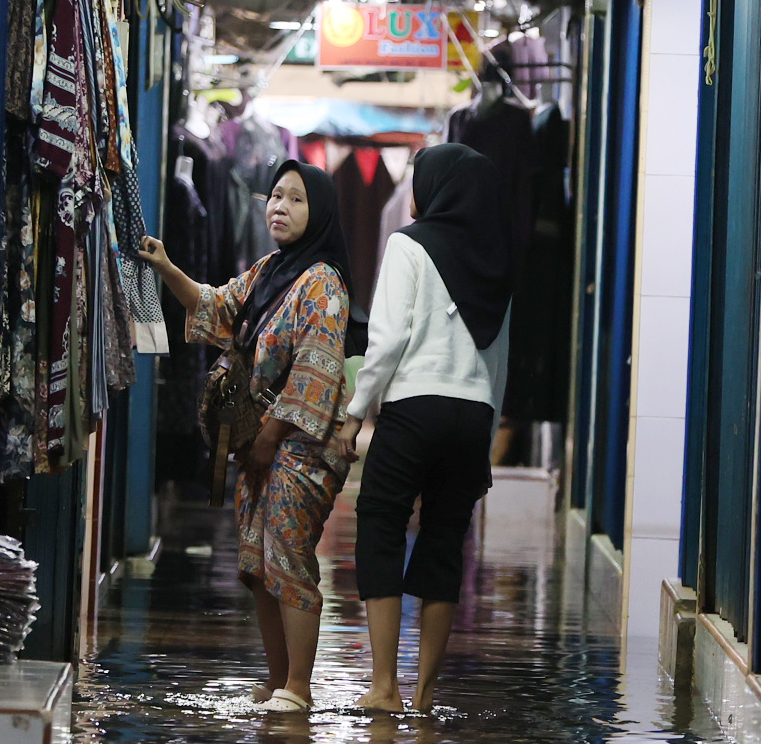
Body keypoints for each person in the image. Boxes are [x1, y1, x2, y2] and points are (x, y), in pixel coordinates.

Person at [140, 160, 355, 713]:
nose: (280, 207)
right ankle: (278, 680)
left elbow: (317, 370)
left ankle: (300, 686)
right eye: (276, 195)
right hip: (261, 443)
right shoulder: (268, 272)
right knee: (257, 564)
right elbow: (216, 306)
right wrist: (166, 267)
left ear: (319, 212)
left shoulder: (323, 282)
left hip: (301, 447)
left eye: (296, 199)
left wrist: (270, 436)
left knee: (288, 556)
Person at [341, 143, 512, 713]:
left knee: (381, 522)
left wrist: (356, 412)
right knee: (443, 541)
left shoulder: (408, 244)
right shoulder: (497, 262)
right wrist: (486, 439)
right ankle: (424, 693)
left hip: (416, 407)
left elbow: (387, 339)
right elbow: (500, 363)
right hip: (473, 415)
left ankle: (384, 685)